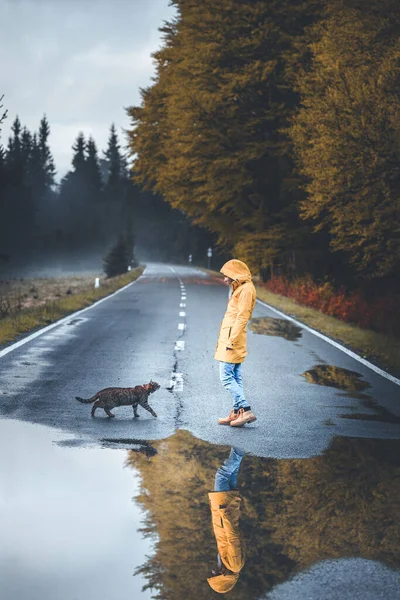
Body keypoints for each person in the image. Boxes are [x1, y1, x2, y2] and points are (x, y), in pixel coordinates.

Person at [214, 259, 257, 427]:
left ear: (235, 275)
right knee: (236, 378)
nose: (225, 279)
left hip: (233, 339)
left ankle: (245, 410)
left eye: (227, 276)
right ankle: (237, 412)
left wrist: (231, 340)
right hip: (231, 337)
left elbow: (242, 317)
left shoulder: (246, 290)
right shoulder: (240, 288)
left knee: (226, 377)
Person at [207, 447, 246, 594]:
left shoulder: (226, 563)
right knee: (222, 475)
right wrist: (224, 515)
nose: (212, 571)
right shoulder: (234, 565)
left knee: (231, 475)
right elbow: (233, 537)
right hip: (225, 510)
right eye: (214, 574)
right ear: (223, 577)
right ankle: (239, 449)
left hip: (225, 510)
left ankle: (239, 447)